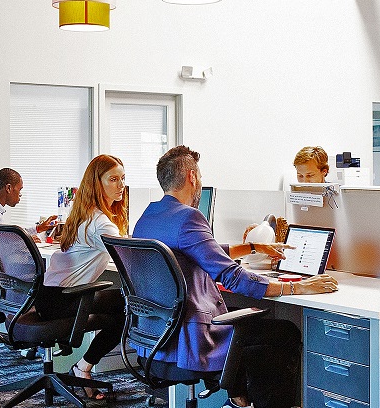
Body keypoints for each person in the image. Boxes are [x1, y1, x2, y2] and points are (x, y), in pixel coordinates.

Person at [133, 145, 339, 408]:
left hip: (158, 335)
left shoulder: (148, 217)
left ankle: (239, 400)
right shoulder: (189, 217)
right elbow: (233, 277)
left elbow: (197, 250)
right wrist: (298, 288)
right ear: (192, 177)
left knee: (248, 324)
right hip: (191, 338)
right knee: (283, 332)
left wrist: (252, 247)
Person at [39, 155, 129, 401]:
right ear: (96, 183)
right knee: (130, 307)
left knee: (118, 307)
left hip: (49, 295)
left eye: (122, 178)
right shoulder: (100, 223)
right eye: (113, 179)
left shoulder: (83, 214)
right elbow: (131, 258)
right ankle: (84, 367)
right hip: (64, 299)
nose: (121, 185)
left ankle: (84, 367)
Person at [0, 168, 57, 290]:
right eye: (20, 189)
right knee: (41, 283)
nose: (20, 194)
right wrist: (25, 242)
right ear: (9, 188)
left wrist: (38, 228)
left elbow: (6, 234)